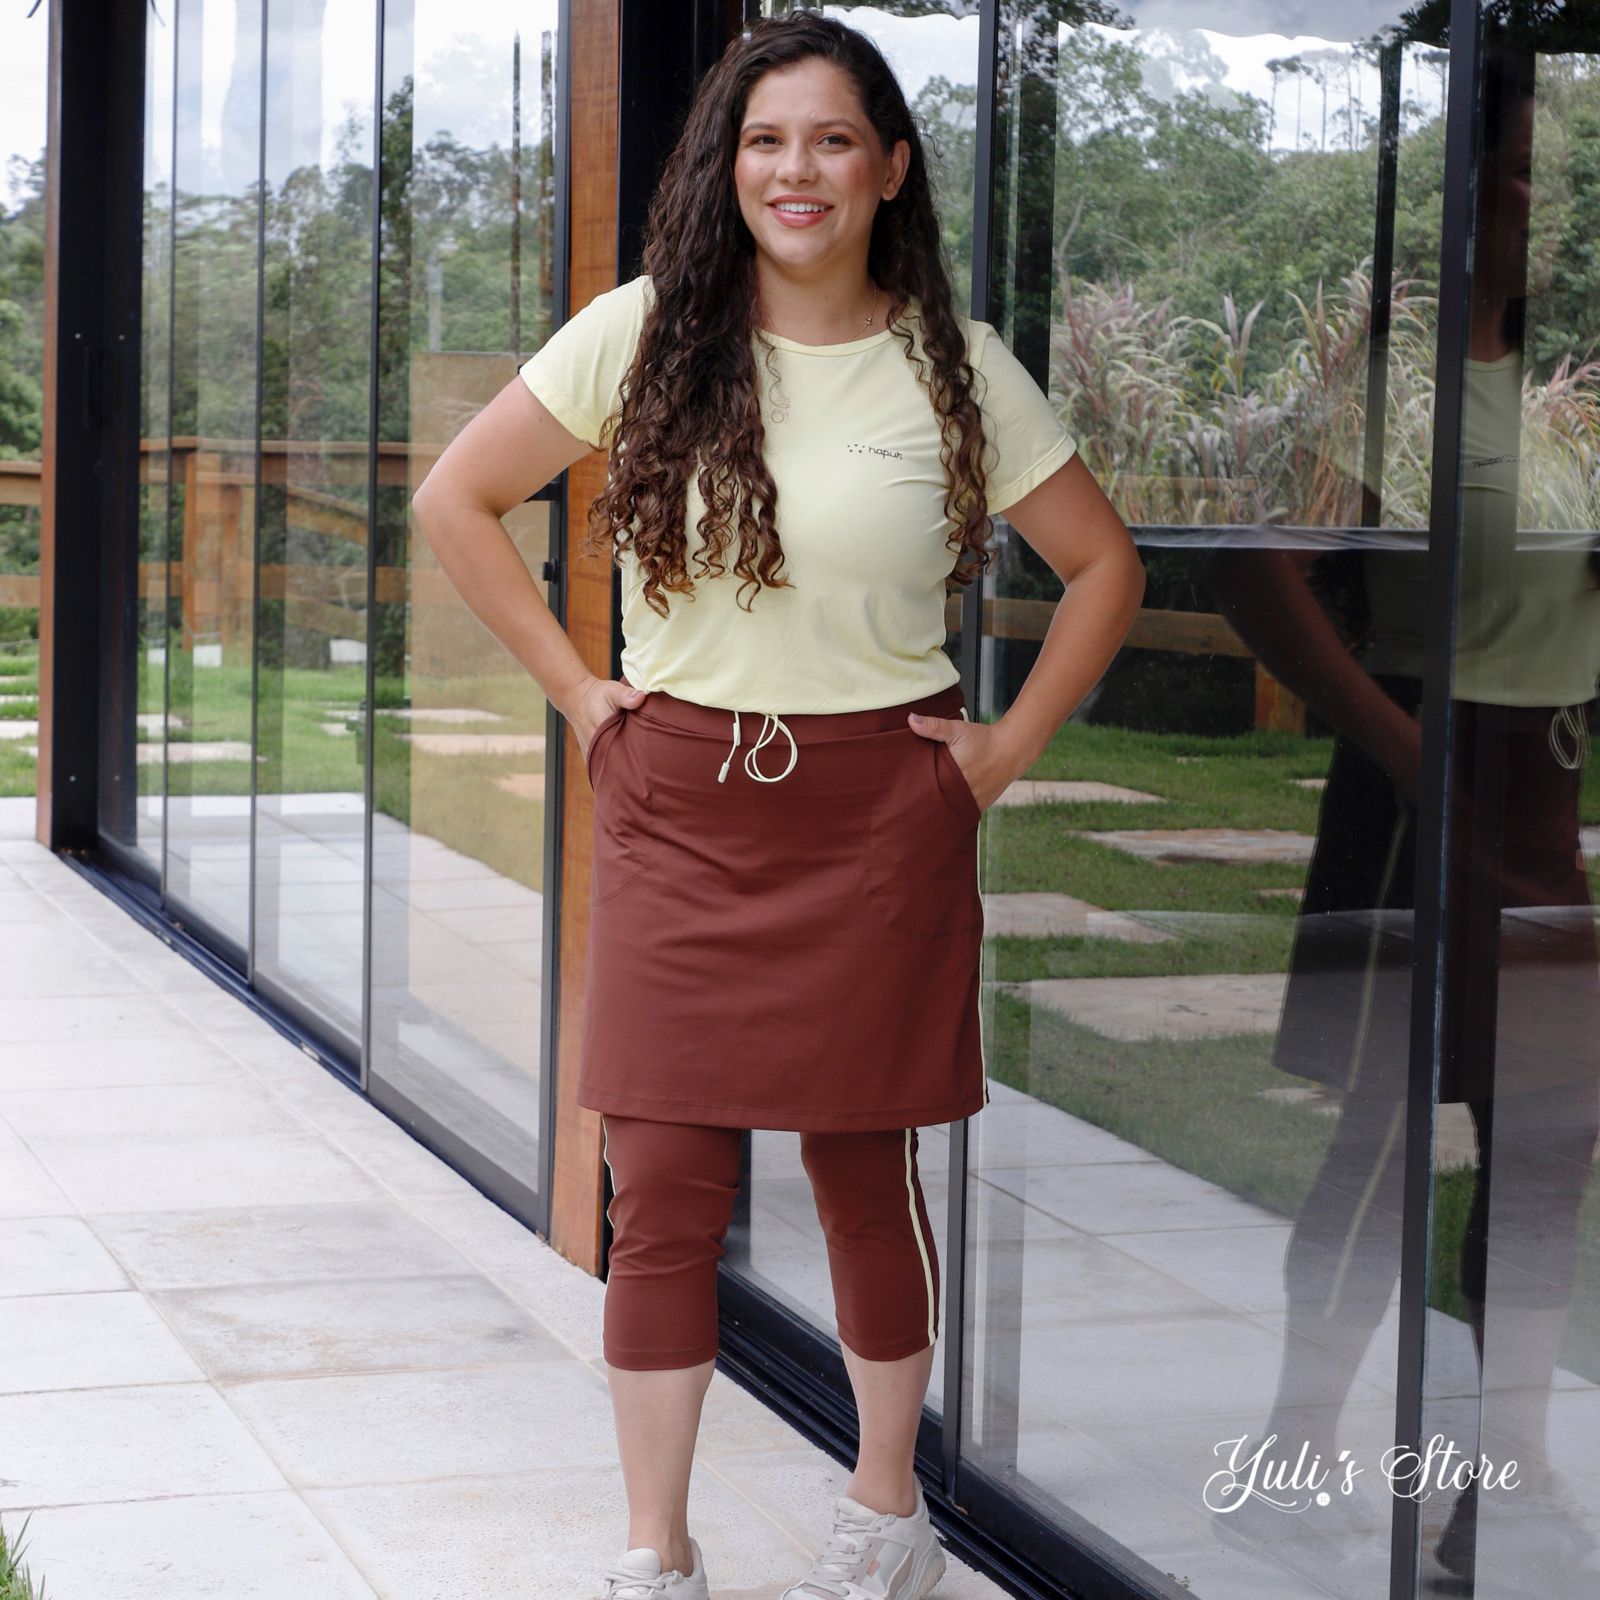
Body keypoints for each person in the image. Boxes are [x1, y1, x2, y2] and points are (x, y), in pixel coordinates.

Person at [411, 14, 1143, 1599]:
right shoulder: (643, 332)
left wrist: (1003, 750)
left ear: (889, 171)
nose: (794, 170)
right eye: (763, 140)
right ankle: (656, 1548)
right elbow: (456, 498)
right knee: (663, 1188)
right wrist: (579, 689)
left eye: (829, 140)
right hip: (680, 803)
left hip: (881, 813)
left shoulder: (953, 363)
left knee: (861, 1174)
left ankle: (887, 1514)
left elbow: (1105, 566)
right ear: (726, 166)